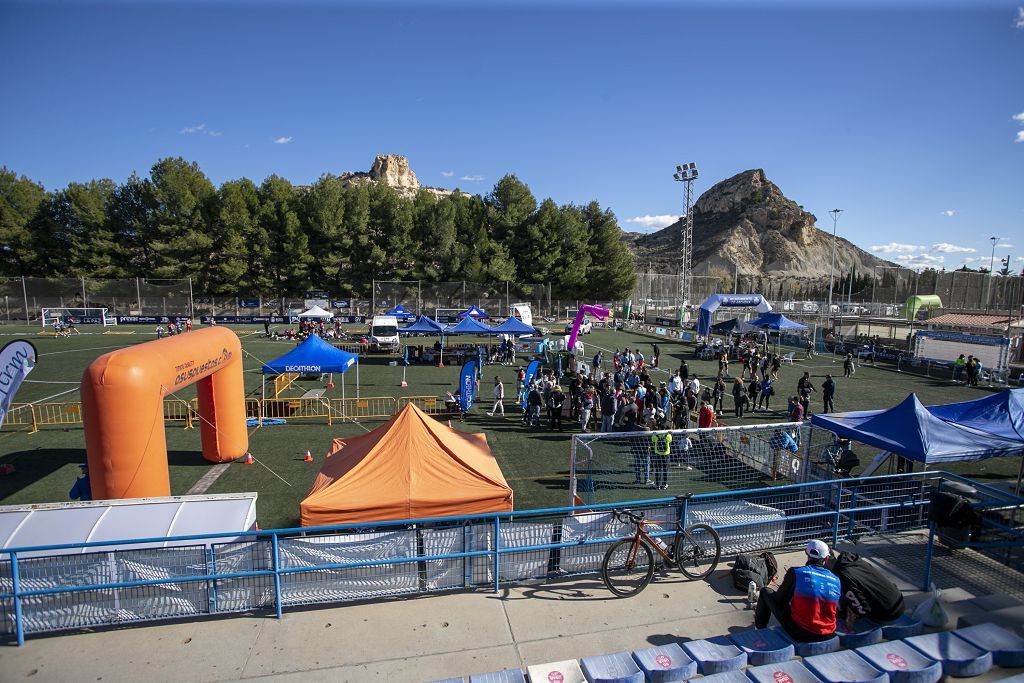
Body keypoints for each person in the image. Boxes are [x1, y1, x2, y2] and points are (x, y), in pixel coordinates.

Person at [754, 540, 841, 643]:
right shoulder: (836, 579)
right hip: (828, 634)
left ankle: (759, 630)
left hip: (801, 633)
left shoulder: (796, 573)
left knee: (765, 592)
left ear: (806, 553)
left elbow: (779, 600)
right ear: (826, 558)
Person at [824, 551, 905, 628]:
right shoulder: (850, 559)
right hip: (898, 598)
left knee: (842, 604)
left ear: (825, 560)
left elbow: (862, 610)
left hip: (889, 612)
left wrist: (844, 615)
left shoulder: (844, 577)